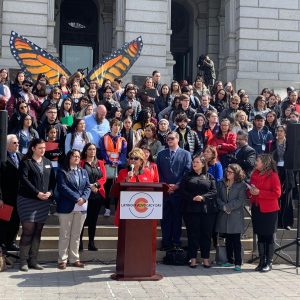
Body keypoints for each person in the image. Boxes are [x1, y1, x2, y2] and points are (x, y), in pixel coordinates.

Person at [17, 139, 56, 271]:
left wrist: (50, 193)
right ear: (33, 148)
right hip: (27, 200)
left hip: (43, 202)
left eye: (44, 148)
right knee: (28, 230)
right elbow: (24, 180)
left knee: (38, 230)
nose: (43, 150)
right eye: (40, 148)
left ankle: (33, 260)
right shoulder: (26, 162)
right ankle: (23, 261)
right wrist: (37, 193)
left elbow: (53, 181)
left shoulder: (48, 162)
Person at [180, 155, 217, 268]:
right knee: (193, 235)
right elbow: (182, 190)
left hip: (207, 211)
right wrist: (192, 197)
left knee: (206, 235)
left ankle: (206, 259)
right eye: (193, 162)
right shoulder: (187, 176)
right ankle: (193, 259)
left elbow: (214, 191)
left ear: (202, 164)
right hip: (191, 210)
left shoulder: (209, 176)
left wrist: (203, 197)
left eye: (196, 162)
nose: (194, 164)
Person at [56, 150, 91, 269]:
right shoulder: (62, 171)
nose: (76, 158)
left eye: (78, 156)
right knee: (65, 234)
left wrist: (84, 198)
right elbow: (62, 187)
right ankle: (62, 260)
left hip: (81, 207)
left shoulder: (83, 171)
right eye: (74, 156)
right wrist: (77, 198)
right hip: (67, 206)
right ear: (69, 158)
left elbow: (87, 187)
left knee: (76, 235)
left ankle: (74, 259)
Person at [157, 132, 192, 250]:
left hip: (179, 192)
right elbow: (159, 172)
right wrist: (166, 186)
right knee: (165, 219)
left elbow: (187, 172)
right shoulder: (161, 154)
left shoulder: (186, 154)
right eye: (167, 139)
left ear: (178, 139)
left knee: (177, 219)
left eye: (172, 138)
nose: (169, 140)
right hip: (165, 192)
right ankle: (166, 243)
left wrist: (177, 185)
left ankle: (176, 243)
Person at [248, 154, 281, 272]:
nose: (255, 162)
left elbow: (277, 193)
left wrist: (259, 193)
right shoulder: (254, 174)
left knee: (268, 236)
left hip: (269, 210)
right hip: (257, 209)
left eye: (258, 160)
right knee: (260, 235)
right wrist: (251, 192)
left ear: (265, 162)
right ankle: (261, 261)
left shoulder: (273, 175)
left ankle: (269, 262)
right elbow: (250, 193)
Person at [216, 164, 247, 271]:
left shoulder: (242, 185)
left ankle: (238, 263)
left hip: (235, 215)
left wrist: (229, 207)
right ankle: (230, 260)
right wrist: (223, 207)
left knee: (236, 240)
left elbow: (240, 200)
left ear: (236, 174)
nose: (227, 173)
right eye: (227, 171)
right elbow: (218, 197)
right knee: (227, 239)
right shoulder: (221, 183)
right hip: (224, 214)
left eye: (230, 172)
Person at [114, 148, 155, 225]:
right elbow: (117, 189)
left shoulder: (147, 172)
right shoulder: (123, 172)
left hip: (142, 207)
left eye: (136, 158)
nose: (133, 160)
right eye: (131, 158)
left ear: (141, 161)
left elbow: (151, 189)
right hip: (126, 207)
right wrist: (126, 180)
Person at [80, 143, 106, 251]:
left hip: (97, 194)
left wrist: (96, 185)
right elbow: (79, 176)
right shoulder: (81, 163)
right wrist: (89, 186)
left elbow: (104, 177)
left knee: (93, 220)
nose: (92, 151)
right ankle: (79, 243)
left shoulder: (100, 163)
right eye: (90, 149)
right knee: (81, 220)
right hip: (84, 194)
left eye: (94, 149)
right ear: (86, 151)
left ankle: (91, 243)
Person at [0, 135, 22, 252]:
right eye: (14, 143)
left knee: (16, 220)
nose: (17, 144)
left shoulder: (20, 156)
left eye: (18, 143)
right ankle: (3, 242)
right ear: (7, 144)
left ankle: (11, 241)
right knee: (4, 221)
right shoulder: (2, 158)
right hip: (6, 196)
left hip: (19, 196)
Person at [271, 125, 294, 229]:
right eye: (278, 131)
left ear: (285, 133)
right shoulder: (272, 144)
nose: (279, 133)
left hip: (287, 171)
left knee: (287, 198)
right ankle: (277, 222)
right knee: (276, 197)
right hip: (276, 172)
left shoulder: (290, 144)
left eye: (281, 131)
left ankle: (287, 223)